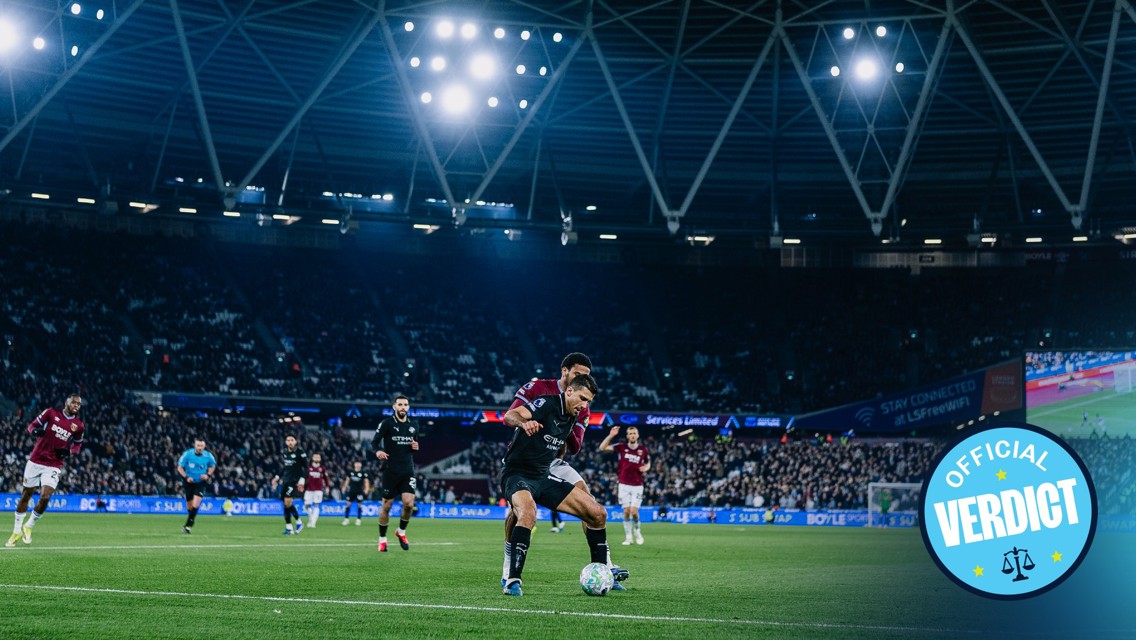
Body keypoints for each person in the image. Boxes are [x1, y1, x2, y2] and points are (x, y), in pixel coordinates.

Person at [500, 353, 628, 588]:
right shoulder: (539, 390)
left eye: (586, 378)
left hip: (552, 463)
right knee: (523, 511)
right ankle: (510, 568)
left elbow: (576, 446)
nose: (582, 381)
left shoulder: (580, 407)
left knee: (593, 508)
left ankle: (604, 567)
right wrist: (527, 422)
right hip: (522, 463)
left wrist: (567, 422)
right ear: (565, 372)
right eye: (578, 375)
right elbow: (511, 415)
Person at [7, 394, 86, 547]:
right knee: (26, 495)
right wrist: (35, 432)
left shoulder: (78, 425)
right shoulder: (51, 413)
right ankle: (16, 531)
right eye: (74, 402)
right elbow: (32, 426)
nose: (76, 405)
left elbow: (77, 446)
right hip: (35, 460)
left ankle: (28, 526)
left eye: (79, 404)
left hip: (54, 464)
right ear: (67, 402)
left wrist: (69, 452)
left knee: (45, 496)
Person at [372, 395, 419, 552]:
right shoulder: (387, 423)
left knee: (409, 504)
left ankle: (401, 532)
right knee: (387, 506)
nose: (403, 407)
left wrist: (415, 446)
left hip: (407, 470)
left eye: (405, 404)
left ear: (408, 407)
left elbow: (413, 445)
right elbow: (374, 441)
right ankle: (382, 540)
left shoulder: (414, 425)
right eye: (400, 404)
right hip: (390, 470)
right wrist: (378, 451)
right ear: (394, 407)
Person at [599, 425, 651, 545]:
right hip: (623, 484)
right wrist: (611, 435)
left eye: (634, 433)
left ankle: (637, 531)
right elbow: (602, 448)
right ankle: (628, 537)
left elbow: (648, 463)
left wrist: (646, 468)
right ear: (627, 436)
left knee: (634, 511)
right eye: (630, 433)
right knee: (626, 511)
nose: (632, 435)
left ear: (637, 435)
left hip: (638, 485)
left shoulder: (643, 450)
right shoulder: (621, 447)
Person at [176, 437, 216, 534]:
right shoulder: (187, 454)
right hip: (189, 482)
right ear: (195, 445)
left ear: (204, 446)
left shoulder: (208, 456)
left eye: (202, 446)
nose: (200, 447)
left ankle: (188, 525)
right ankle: (191, 518)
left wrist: (208, 475)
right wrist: (186, 477)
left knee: (196, 504)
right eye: (198, 445)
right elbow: (180, 468)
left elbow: (212, 466)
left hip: (200, 483)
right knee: (189, 507)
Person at [273, 434, 308, 535]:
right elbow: (284, 467)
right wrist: (277, 477)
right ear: (285, 442)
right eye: (288, 440)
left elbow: (306, 468)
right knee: (285, 504)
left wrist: (302, 480)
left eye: (292, 440)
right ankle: (289, 528)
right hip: (285, 480)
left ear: (295, 442)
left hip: (294, 481)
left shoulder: (300, 453)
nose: (290, 442)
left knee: (288, 502)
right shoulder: (285, 452)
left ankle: (299, 522)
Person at [342, 460, 371, 526]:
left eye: (359, 463)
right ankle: (346, 519)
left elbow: (366, 481)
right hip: (351, 491)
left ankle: (358, 519)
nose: (358, 465)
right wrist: (344, 487)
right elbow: (347, 480)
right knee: (348, 504)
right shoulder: (351, 472)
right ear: (354, 464)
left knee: (359, 505)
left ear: (361, 465)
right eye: (356, 463)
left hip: (359, 492)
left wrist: (367, 489)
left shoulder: (363, 473)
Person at [304, 453, 328, 528]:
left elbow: (326, 478)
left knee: (316, 505)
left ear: (320, 459)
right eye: (315, 457)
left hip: (318, 490)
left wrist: (327, 487)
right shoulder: (308, 467)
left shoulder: (322, 468)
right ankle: (311, 519)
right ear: (312, 458)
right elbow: (304, 477)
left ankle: (313, 522)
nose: (317, 458)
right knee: (306, 506)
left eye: (318, 457)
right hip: (309, 489)